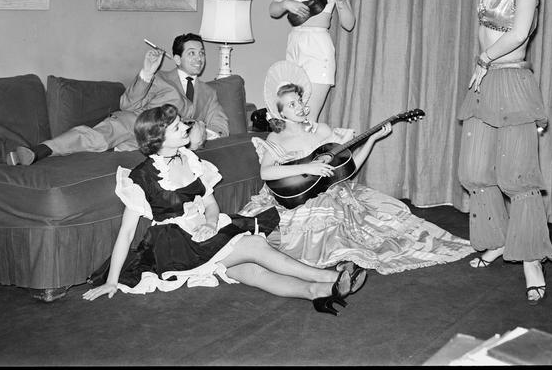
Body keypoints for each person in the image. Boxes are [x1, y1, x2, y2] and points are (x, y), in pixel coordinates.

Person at [82, 104, 366, 316]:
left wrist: (210, 221)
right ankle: (330, 277)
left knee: (249, 271)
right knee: (254, 245)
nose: (185, 128)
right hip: (175, 246)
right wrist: (111, 281)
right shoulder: (141, 177)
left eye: (182, 123)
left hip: (205, 230)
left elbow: (210, 203)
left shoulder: (190, 159)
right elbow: (126, 232)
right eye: (177, 127)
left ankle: (316, 292)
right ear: (158, 138)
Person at [239, 61, 475, 274]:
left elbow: (348, 168)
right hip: (296, 199)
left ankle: (349, 259)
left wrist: (372, 140)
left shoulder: (321, 131)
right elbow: (266, 172)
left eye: (299, 100)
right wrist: (309, 168)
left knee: (387, 214)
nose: (299, 106)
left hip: (333, 193)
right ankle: (340, 261)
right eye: (292, 104)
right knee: (325, 213)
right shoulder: (276, 139)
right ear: (280, 113)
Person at [456, 0, 552, 306]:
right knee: (475, 170)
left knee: (518, 176)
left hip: (511, 82)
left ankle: (532, 260)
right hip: (485, 84)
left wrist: (483, 60)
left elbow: (517, 34)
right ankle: (497, 241)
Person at [6, 33, 228, 166]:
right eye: (192, 53)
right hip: (134, 123)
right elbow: (127, 105)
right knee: (98, 138)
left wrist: (196, 131)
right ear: (177, 59)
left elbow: (221, 128)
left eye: (202, 53)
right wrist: (147, 73)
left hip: (161, 143)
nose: (199, 58)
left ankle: (111, 154)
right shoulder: (159, 77)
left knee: (125, 151)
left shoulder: (208, 93)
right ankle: (39, 151)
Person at [269, 0, 356, 121]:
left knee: (308, 118)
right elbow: (273, 10)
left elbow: (349, 24)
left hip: (318, 48)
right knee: (290, 118)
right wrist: (286, 4)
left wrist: (341, 1)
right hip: (294, 44)